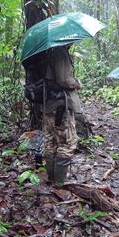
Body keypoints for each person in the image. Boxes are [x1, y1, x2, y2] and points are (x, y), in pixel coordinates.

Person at [41, 45, 82, 186]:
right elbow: (64, 79)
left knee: (50, 141)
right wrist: (77, 83)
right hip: (60, 105)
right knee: (67, 142)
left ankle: (51, 179)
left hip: (48, 103)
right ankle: (59, 183)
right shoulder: (60, 52)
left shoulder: (48, 51)